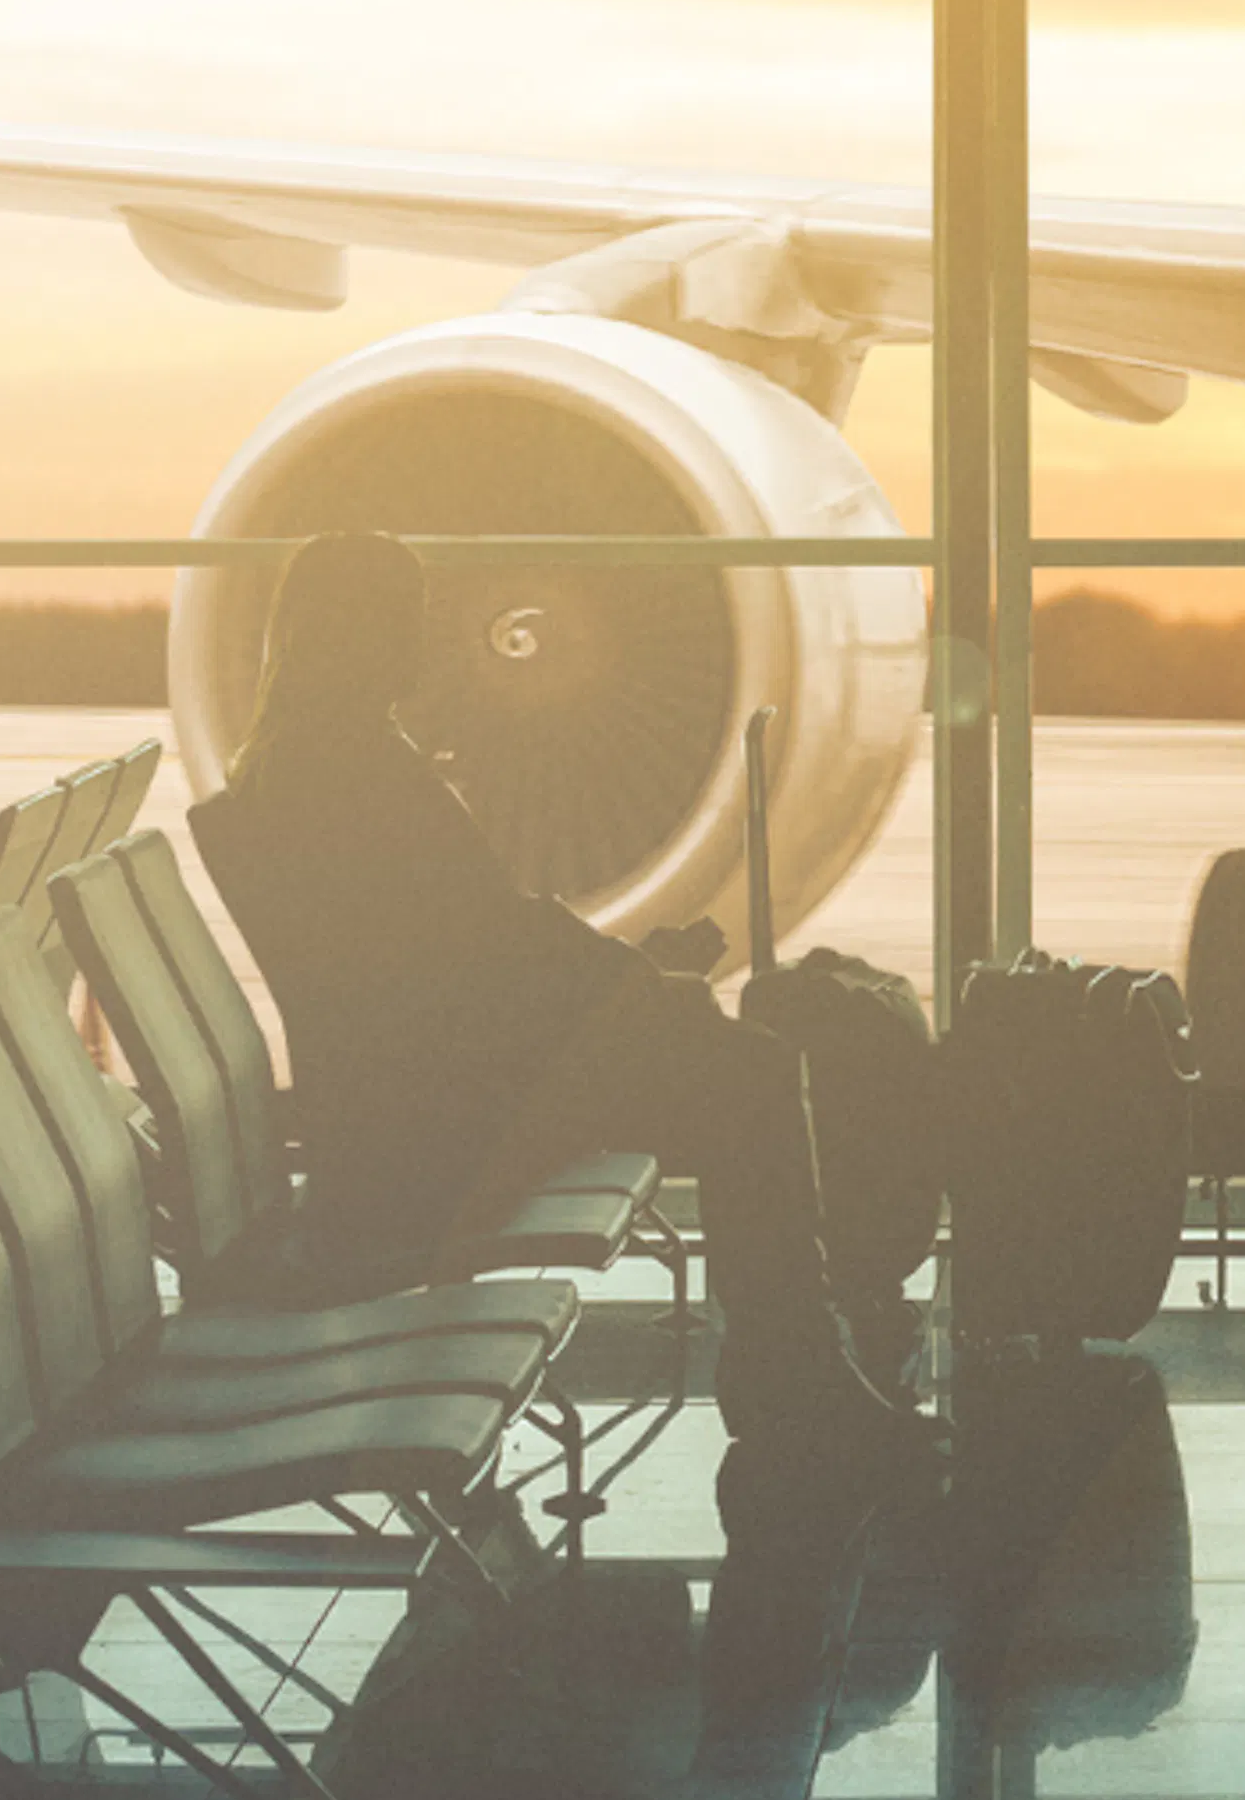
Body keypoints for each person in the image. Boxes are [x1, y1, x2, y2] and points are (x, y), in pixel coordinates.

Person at [187, 531, 932, 1491]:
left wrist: (626, 982)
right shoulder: (361, 773)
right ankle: (795, 1369)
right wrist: (628, 982)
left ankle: (797, 1363)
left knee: (717, 1052)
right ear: (364, 634)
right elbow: (488, 954)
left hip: (418, 1103)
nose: (422, 645)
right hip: (450, 1129)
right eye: (405, 622)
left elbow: (458, 957)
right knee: (753, 1077)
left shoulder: (300, 765)